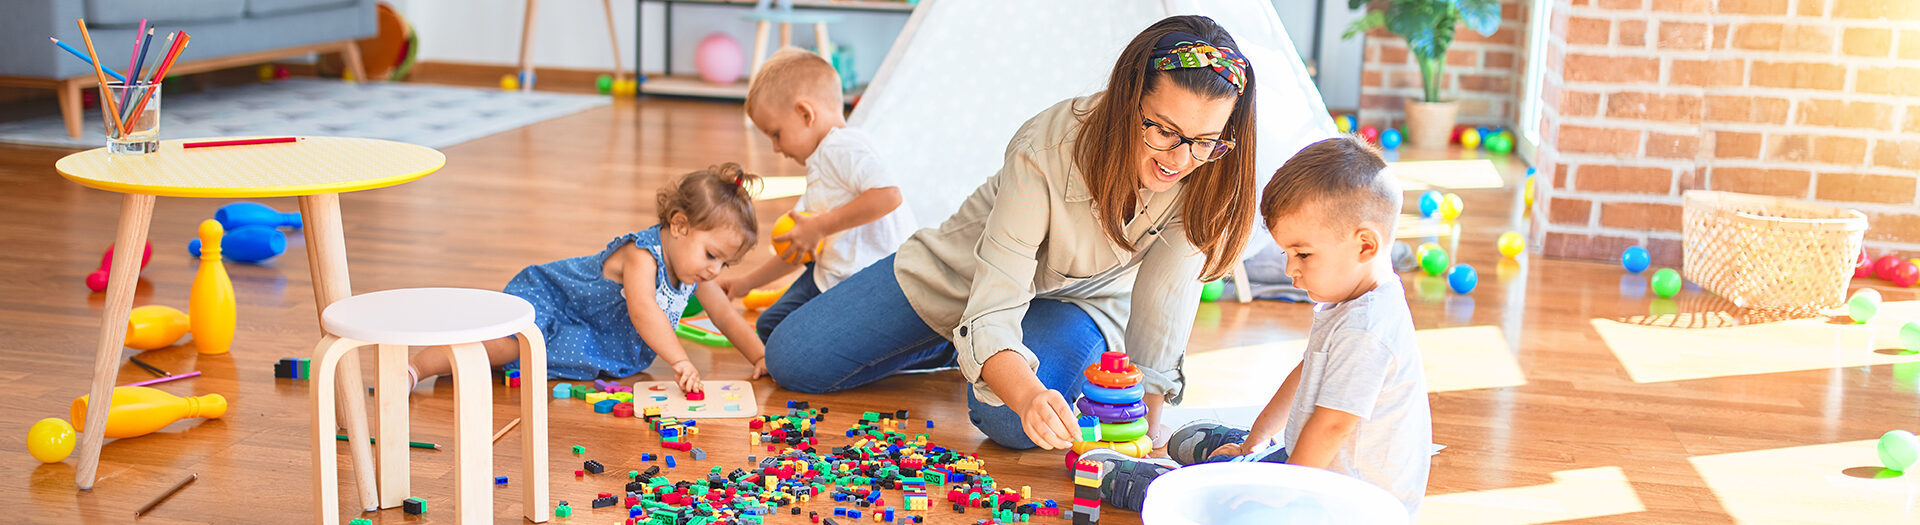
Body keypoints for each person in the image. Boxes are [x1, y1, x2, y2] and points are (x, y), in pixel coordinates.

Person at [764, 15, 1261, 451]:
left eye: (1204, 141)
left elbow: (1163, 310)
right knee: (793, 359)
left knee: (1008, 421)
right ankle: (968, 343)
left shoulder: (1208, 172)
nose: (1179, 159)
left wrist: (1145, 432)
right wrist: (1004, 358)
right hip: (962, 275)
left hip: (1077, 303)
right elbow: (996, 295)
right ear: (1126, 101)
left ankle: (980, 347)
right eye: (1165, 131)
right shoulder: (1045, 149)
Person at [1084, 136, 1431, 517]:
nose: (1290, 269)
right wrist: (1258, 435)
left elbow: (1332, 426)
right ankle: (1252, 458)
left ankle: (1157, 486)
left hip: (1349, 506)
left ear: (1365, 246)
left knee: (1229, 509)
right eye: (1287, 253)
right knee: (1258, 470)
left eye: (1302, 254)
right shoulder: (1352, 302)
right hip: (1329, 477)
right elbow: (1307, 371)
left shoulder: (1366, 330)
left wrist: (1279, 492)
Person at [408, 164, 771, 392]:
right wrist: (680, 361)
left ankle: (460, 363)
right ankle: (415, 368)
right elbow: (644, 309)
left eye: (725, 264)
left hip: (588, 331)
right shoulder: (641, 254)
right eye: (711, 255)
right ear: (679, 225)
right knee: (509, 346)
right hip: (555, 300)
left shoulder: (698, 273)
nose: (714, 270)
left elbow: (724, 316)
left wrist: (760, 356)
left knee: (510, 361)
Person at [718, 48, 917, 341]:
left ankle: (927, 347)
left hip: (866, 285)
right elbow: (799, 246)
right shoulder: (822, 162)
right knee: (770, 327)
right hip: (832, 276)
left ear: (805, 113)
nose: (775, 148)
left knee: (778, 333)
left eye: (776, 134)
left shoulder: (843, 147)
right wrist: (746, 283)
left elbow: (889, 196)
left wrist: (821, 226)